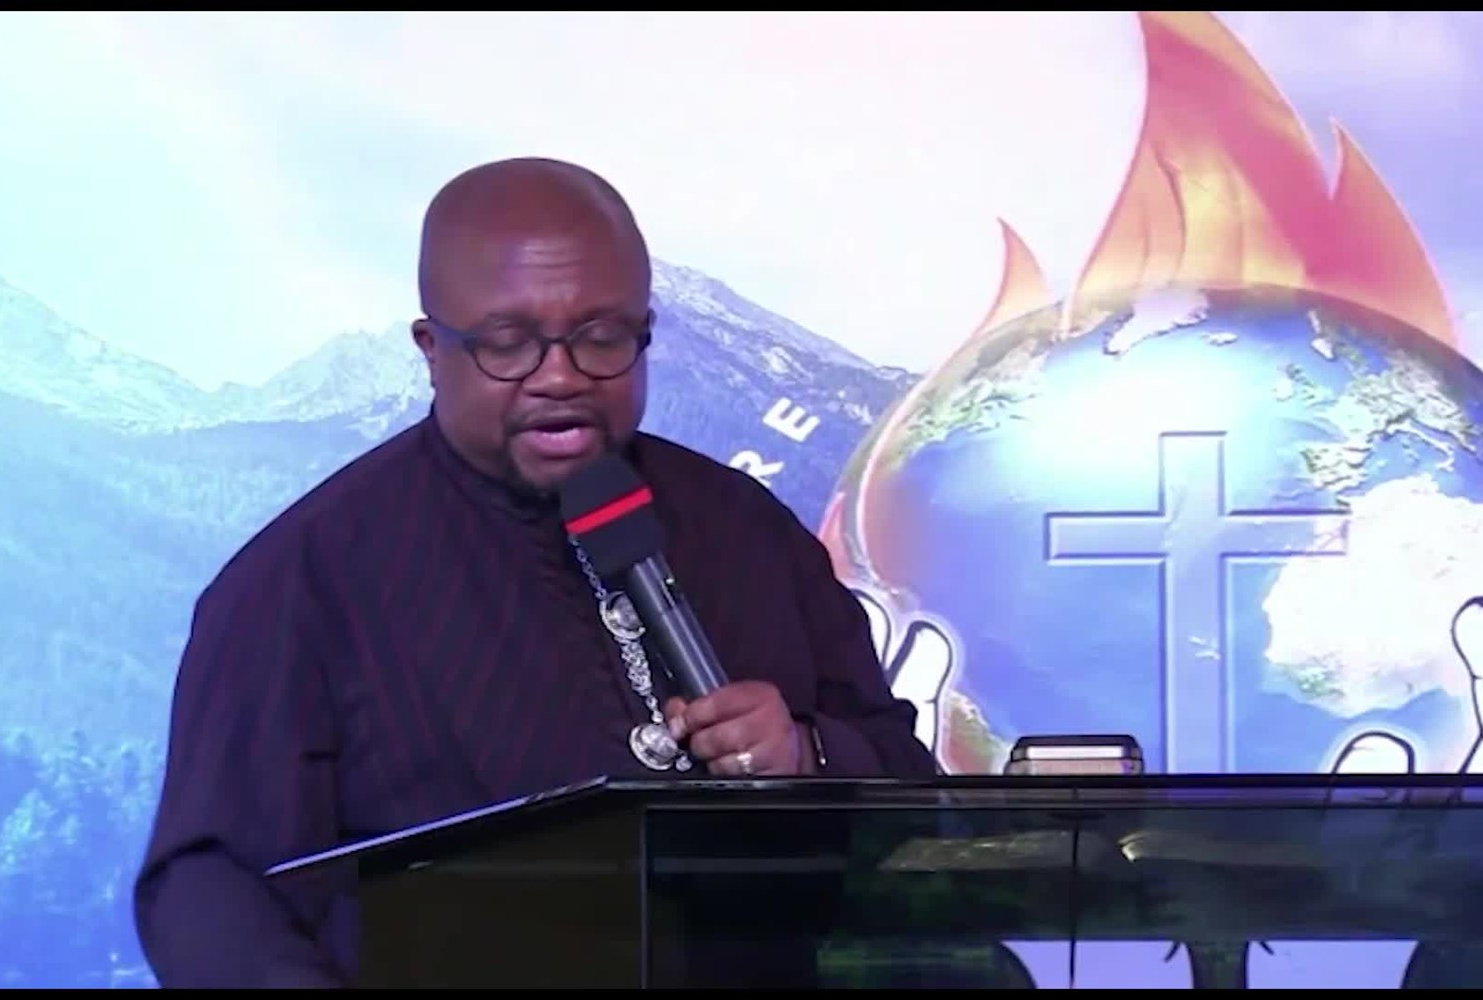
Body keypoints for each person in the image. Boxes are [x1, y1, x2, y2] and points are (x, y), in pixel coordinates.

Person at [132, 157, 938, 988]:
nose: (559, 377)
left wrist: (806, 753)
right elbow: (207, 888)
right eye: (507, 344)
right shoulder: (302, 582)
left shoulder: (747, 530)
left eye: (602, 338)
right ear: (430, 350)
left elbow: (920, 799)